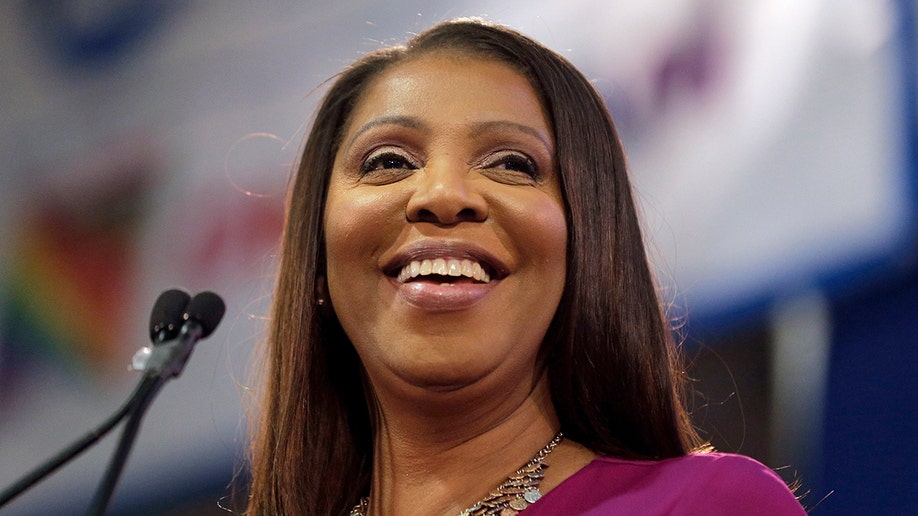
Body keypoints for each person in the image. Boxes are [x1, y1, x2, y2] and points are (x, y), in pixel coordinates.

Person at [246, 18, 805, 515]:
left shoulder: (707, 507)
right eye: (388, 162)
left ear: (586, 248)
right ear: (317, 261)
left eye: (512, 163)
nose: (442, 194)